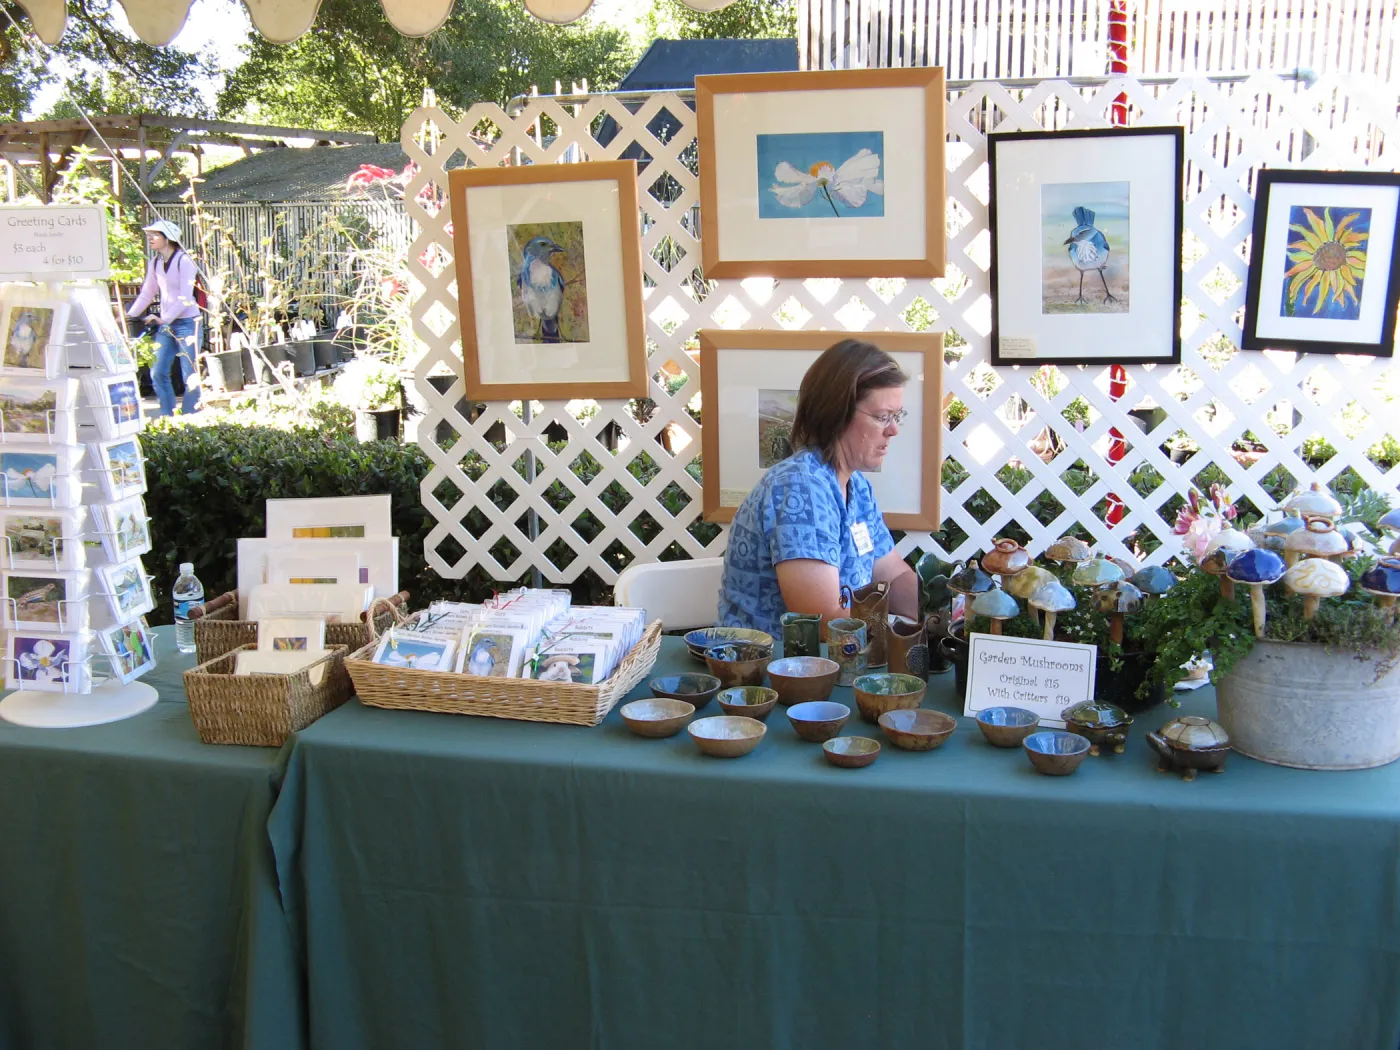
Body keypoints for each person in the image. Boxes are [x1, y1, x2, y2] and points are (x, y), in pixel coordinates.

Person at [716, 338, 919, 638]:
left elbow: (893, 573)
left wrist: (947, 609)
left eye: (896, 416)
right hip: (771, 673)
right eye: (882, 417)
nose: (894, 429)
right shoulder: (800, 488)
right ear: (837, 413)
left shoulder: (857, 487)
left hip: (829, 666)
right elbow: (827, 623)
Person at [127, 218, 201, 416]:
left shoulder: (185, 260)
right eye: (150, 234)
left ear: (168, 238)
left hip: (187, 323)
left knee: (189, 374)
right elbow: (147, 293)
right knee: (157, 371)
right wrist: (129, 316)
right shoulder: (155, 262)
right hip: (167, 324)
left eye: (155, 235)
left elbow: (185, 297)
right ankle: (167, 415)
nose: (150, 238)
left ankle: (190, 418)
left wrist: (164, 318)